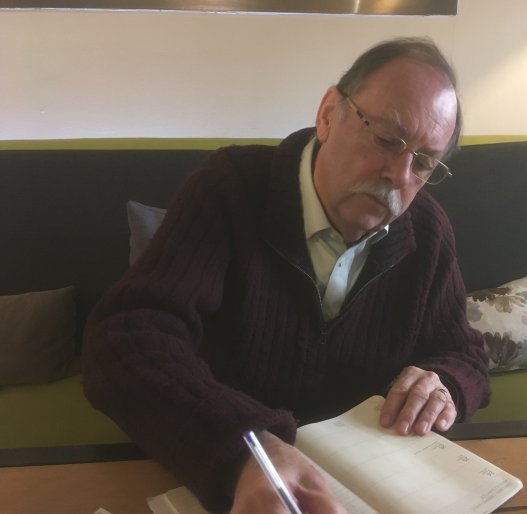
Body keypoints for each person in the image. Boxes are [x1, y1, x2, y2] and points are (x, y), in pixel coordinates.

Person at [83, 36, 491, 513]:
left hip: (365, 484)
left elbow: (464, 353)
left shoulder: (428, 231)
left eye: (423, 162)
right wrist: (247, 446)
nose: (399, 176)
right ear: (328, 114)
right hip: (227, 471)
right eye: (386, 140)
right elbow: (126, 338)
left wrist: (444, 383)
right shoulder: (230, 188)